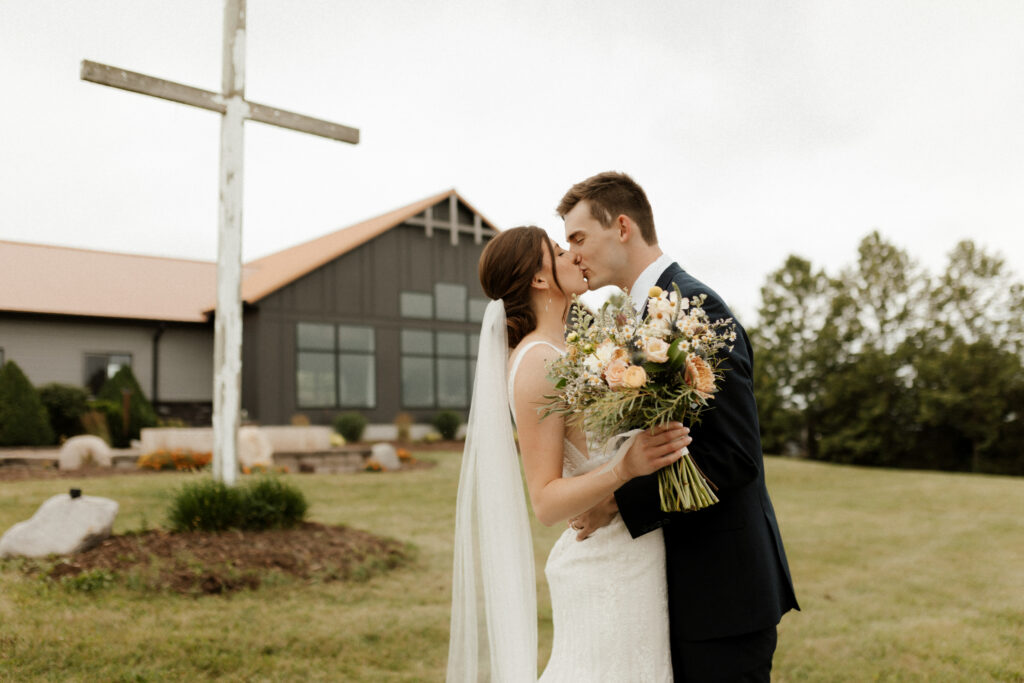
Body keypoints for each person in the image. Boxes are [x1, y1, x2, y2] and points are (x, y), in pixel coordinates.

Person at [559, 171, 800, 682]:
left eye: (578, 238)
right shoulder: (638, 315)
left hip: (723, 594)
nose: (573, 254)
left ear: (622, 226)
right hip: (681, 587)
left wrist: (616, 503)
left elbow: (734, 458)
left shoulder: (699, 308)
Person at [447, 225, 691, 682]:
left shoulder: (572, 350)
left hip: (634, 554)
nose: (574, 257)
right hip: (606, 568)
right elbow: (545, 501)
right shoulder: (538, 361)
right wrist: (625, 466)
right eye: (560, 251)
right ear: (539, 279)